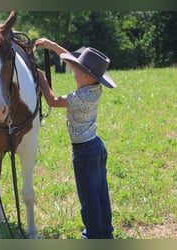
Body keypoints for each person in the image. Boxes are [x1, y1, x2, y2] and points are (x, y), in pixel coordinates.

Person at [34, 38, 116, 239]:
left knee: (88, 198)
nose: (73, 72)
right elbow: (72, 61)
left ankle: (93, 236)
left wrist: (41, 77)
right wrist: (52, 46)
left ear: (87, 76)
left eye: (77, 71)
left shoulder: (81, 98)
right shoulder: (94, 88)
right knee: (100, 194)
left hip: (84, 152)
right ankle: (105, 233)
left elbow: (52, 101)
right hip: (96, 146)